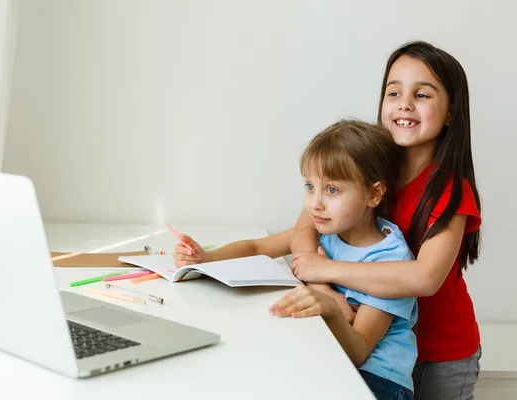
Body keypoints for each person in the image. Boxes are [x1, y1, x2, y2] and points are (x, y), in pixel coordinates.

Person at [289, 41, 482, 400]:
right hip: (374, 345)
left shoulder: (451, 190)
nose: (405, 103)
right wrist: (324, 287)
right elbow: (306, 224)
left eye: (422, 95)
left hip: (438, 356)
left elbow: (424, 278)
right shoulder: (370, 167)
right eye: (394, 92)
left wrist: (325, 271)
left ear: (452, 112)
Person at [174, 120, 416, 400]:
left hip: (378, 382)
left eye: (332, 190)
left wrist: (330, 308)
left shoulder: (389, 259)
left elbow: (359, 352)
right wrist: (206, 256)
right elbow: (256, 247)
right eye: (310, 186)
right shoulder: (327, 231)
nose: (315, 203)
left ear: (373, 194)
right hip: (327, 360)